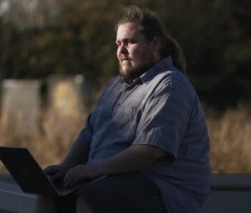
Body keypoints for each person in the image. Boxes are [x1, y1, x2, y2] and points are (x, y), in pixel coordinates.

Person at [34, 5, 210, 213]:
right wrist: (66, 167)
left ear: (155, 43)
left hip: (161, 189)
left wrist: (94, 170)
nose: (121, 51)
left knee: (93, 199)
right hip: (110, 180)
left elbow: (149, 151)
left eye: (129, 42)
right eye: (118, 44)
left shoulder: (169, 85)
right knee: (50, 197)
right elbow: (88, 135)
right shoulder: (115, 87)